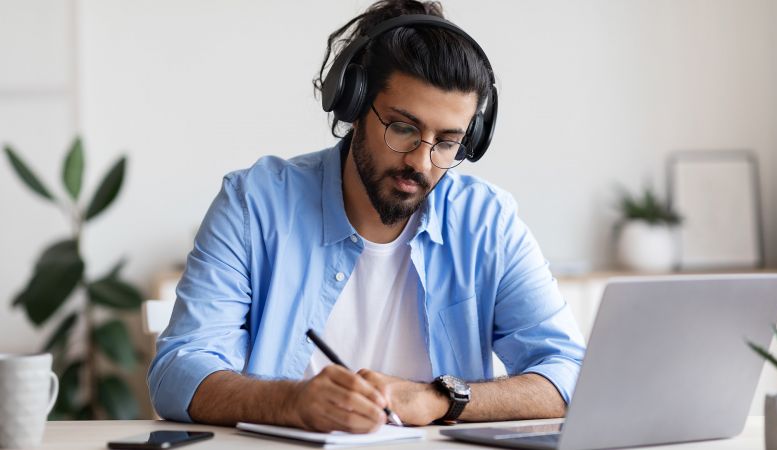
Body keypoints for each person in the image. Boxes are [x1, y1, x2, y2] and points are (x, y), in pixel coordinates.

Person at [147, 0, 585, 434]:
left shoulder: (487, 223)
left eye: (447, 142)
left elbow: (570, 371)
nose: (422, 161)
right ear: (353, 105)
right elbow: (178, 372)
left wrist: (438, 398)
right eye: (403, 128)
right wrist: (291, 402)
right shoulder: (254, 204)